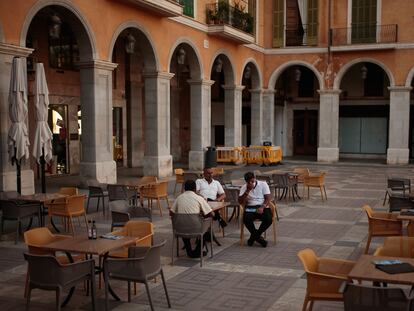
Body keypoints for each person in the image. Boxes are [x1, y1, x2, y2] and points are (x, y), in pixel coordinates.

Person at [170, 180, 213, 258]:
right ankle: (197, 252)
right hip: (196, 229)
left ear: (184, 189)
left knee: (184, 224)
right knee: (207, 230)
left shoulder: (179, 198)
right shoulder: (199, 198)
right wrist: (202, 215)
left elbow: (171, 213)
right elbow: (210, 214)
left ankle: (189, 251)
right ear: (195, 189)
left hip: (179, 229)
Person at [238, 171, 272, 247]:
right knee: (246, 218)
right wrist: (247, 190)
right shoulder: (244, 187)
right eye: (249, 182)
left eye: (252, 181)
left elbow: (268, 198)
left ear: (255, 178)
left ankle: (253, 237)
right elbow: (240, 201)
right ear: (246, 181)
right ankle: (259, 238)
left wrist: (262, 207)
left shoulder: (263, 184)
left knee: (268, 219)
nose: (251, 183)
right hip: (251, 208)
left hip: (262, 206)